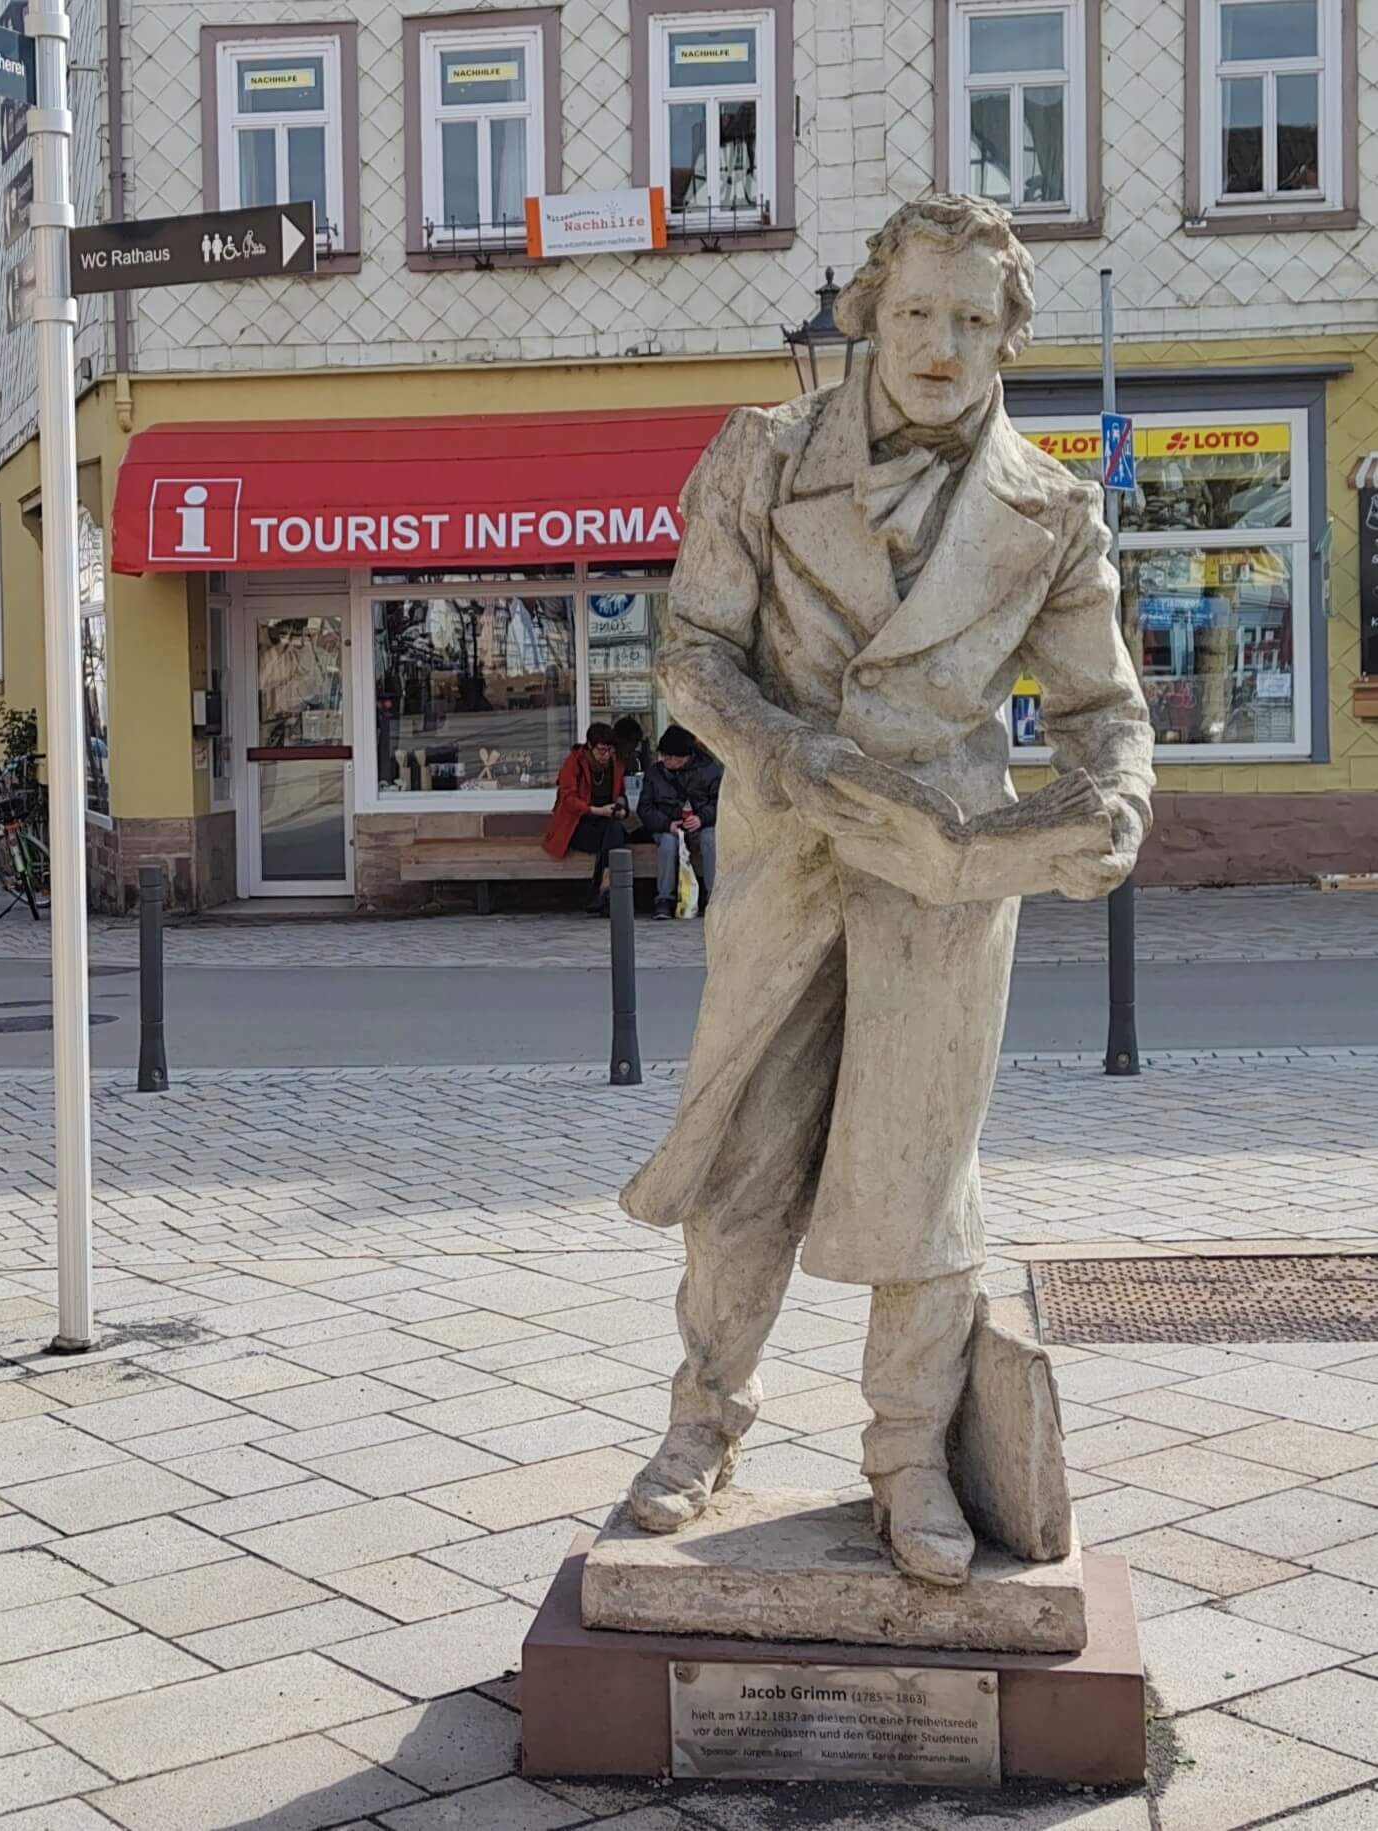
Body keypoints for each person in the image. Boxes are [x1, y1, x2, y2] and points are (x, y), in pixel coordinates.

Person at [618, 196, 1154, 1587]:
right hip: (789, 850)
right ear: (869, 308)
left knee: (920, 1179)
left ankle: (906, 1453)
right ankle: (700, 1417)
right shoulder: (760, 453)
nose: (937, 341)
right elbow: (688, 654)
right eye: (915, 310)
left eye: (969, 319)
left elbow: (1103, 710)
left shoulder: (1047, 512)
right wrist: (786, 753)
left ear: (1004, 339)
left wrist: (1111, 807)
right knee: (742, 1157)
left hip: (946, 865)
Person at [541, 722, 628, 915]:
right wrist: (595, 810)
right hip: (576, 825)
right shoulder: (574, 762)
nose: (605, 755)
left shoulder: (615, 763)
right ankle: (602, 892)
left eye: (609, 750)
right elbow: (568, 799)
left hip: (605, 821)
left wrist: (622, 809)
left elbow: (620, 792)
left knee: (613, 833)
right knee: (614, 838)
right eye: (601, 751)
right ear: (590, 746)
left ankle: (602, 893)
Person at [638, 724, 721, 918]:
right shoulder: (655, 773)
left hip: (701, 825)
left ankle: (713, 896)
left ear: (685, 757)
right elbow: (645, 808)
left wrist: (702, 818)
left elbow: (720, 801)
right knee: (667, 842)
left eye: (672, 757)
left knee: (711, 839)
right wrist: (667, 824)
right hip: (668, 826)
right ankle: (664, 899)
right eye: (665, 756)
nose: (667, 761)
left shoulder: (709, 770)